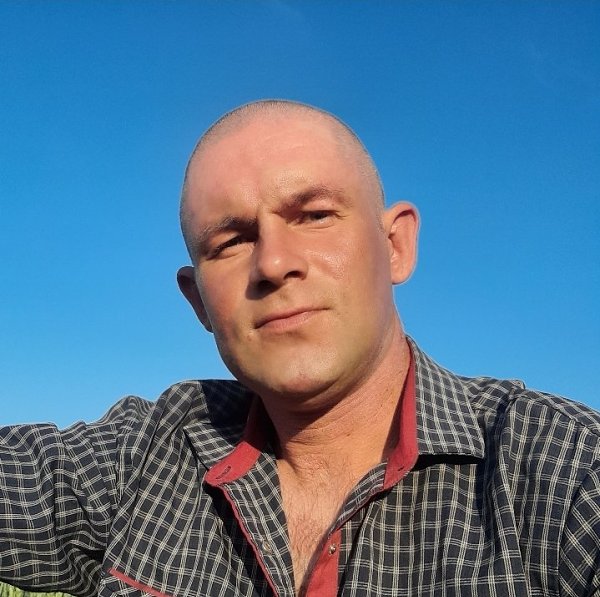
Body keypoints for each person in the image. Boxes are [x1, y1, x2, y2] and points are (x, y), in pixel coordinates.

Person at [1, 100, 599, 597]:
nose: (274, 263)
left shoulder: (564, 476)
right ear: (198, 303)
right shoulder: (149, 455)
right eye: (230, 242)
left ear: (395, 246)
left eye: (314, 215)